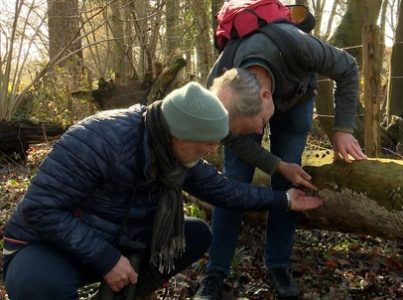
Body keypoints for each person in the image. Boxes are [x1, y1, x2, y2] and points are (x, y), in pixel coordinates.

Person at [1, 82, 323, 300]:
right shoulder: (99, 139)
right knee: (37, 285)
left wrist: (284, 200)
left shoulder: (172, 152)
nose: (210, 151)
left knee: (195, 234)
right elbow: (41, 210)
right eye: (206, 144)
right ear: (181, 135)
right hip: (45, 246)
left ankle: (120, 295)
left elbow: (224, 190)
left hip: (114, 237)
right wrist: (106, 258)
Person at [193, 11, 366, 300]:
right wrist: (274, 164)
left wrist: (343, 128)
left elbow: (348, 67)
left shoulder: (301, 45)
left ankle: (278, 265)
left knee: (288, 185)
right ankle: (215, 270)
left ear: (265, 97)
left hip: (297, 97)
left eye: (258, 126)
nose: (260, 132)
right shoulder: (221, 82)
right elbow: (230, 134)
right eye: (254, 129)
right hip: (247, 107)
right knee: (233, 183)